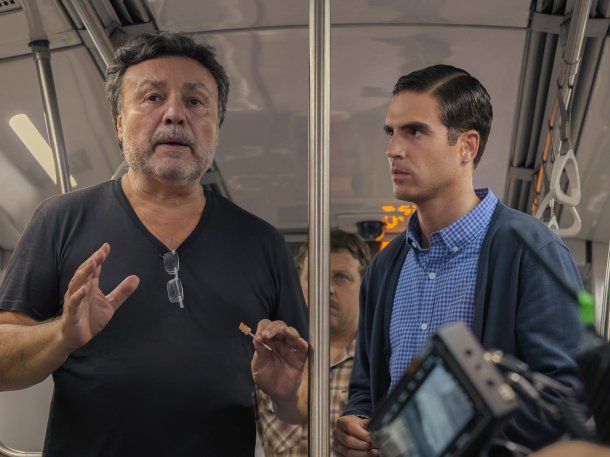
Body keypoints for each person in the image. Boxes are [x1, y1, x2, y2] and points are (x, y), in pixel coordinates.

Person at [0, 32, 307, 457]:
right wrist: (62, 335)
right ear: (119, 123)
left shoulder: (263, 243)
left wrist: (287, 394)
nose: (175, 115)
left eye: (196, 101)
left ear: (215, 126)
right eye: (151, 98)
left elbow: (301, 399)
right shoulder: (61, 220)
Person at [332, 65, 584, 456]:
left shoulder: (531, 252)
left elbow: (568, 401)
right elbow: (366, 390)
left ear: (466, 146)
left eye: (414, 131)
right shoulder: (384, 269)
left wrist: (441, 429)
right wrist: (355, 423)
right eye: (391, 132)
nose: (393, 149)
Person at [255, 229, 371, 456]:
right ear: (299, 282)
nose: (326, 289)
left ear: (365, 286)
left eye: (341, 277)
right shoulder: (273, 354)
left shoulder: (376, 363)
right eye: (315, 276)